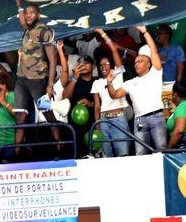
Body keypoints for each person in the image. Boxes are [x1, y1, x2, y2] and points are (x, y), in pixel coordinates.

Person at [107, 25, 166, 155]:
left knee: (161, 150)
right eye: (135, 62)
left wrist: (145, 32)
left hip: (156, 116)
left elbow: (154, 51)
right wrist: (109, 82)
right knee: (140, 154)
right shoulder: (131, 82)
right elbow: (114, 95)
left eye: (140, 61)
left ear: (149, 63)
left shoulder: (155, 73)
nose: (136, 63)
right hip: (139, 119)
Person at [13, 0, 56, 139]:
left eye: (31, 12)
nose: (28, 15)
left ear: (38, 14)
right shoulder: (27, 30)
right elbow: (22, 22)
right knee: (20, 117)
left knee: (47, 113)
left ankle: (61, 145)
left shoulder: (44, 31)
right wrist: (19, 4)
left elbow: (53, 60)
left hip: (37, 81)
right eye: (26, 13)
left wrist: (50, 85)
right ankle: (17, 151)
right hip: (21, 79)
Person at [90, 28, 130, 157]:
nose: (103, 66)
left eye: (106, 63)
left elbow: (114, 50)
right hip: (103, 121)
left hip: (119, 118)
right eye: (101, 65)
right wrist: (97, 125)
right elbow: (97, 106)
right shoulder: (97, 83)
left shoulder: (117, 75)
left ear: (111, 65)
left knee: (122, 154)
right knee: (106, 156)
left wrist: (102, 33)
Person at [57, 41, 94, 157]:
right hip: (74, 126)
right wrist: (74, 78)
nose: (83, 65)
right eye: (81, 63)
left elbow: (100, 104)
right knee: (75, 154)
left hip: (91, 124)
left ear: (93, 66)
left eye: (87, 63)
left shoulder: (97, 82)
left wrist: (90, 103)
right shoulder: (74, 81)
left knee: (91, 154)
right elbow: (65, 96)